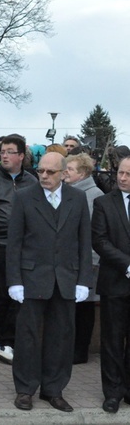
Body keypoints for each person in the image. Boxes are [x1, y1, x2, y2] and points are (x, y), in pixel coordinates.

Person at [6, 152, 92, 412]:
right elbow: (14, 242)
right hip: (32, 278)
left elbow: (84, 241)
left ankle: (53, 389)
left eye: (50, 172)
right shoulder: (23, 197)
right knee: (27, 336)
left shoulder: (77, 199)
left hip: (66, 278)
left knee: (62, 336)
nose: (43, 176)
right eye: (41, 170)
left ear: (64, 173)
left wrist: (83, 280)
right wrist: (14, 281)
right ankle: (25, 389)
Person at [0, 134, 37, 363]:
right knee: (1, 295)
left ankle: (7, 341)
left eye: (10, 151)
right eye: (2, 151)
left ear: (21, 156)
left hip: (23, 246)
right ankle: (5, 341)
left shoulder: (31, 181)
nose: (4, 155)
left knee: (20, 295)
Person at [92, 156, 130, 413]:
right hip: (115, 282)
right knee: (113, 340)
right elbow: (100, 241)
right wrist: (127, 264)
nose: (122, 177)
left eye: (128, 174)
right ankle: (113, 393)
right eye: (121, 172)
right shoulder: (104, 203)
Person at [64, 153, 104, 364]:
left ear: (82, 173)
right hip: (73, 262)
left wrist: (92, 262)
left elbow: (93, 233)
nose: (65, 173)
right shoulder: (72, 192)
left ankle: (80, 351)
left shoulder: (92, 195)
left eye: (69, 169)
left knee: (84, 307)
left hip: (87, 262)